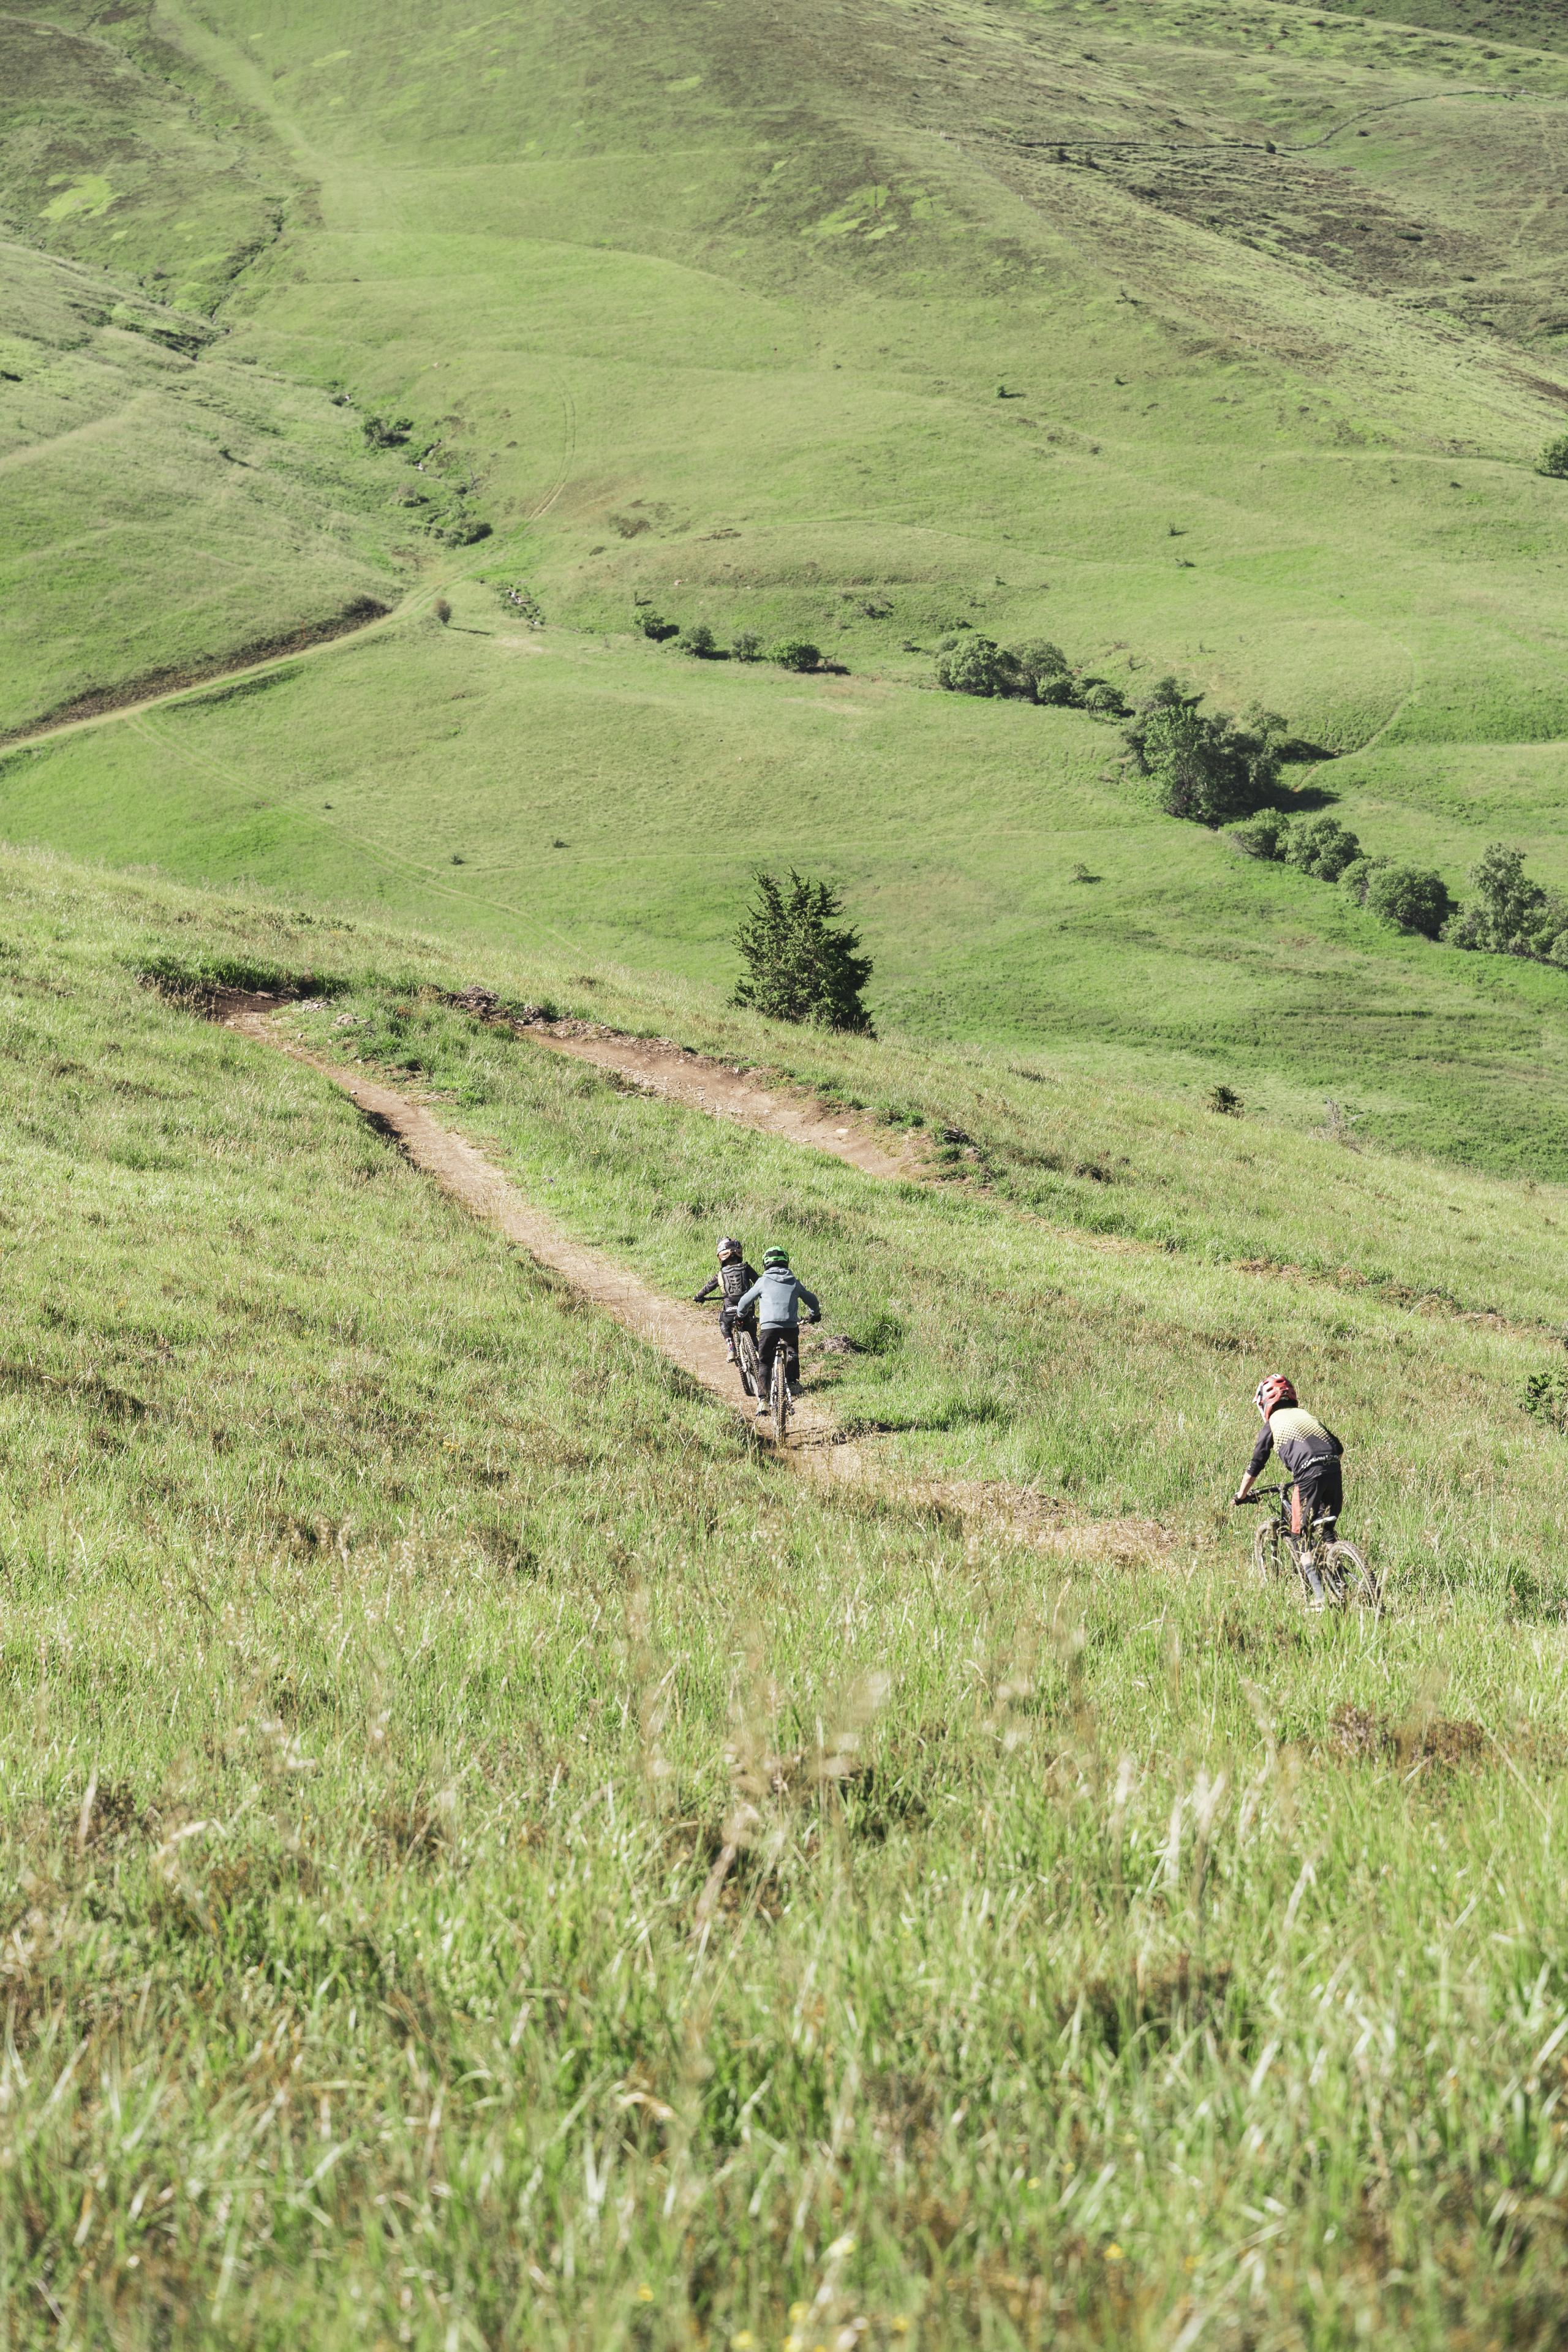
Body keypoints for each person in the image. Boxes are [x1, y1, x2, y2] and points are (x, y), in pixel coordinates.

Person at [1234, 1374, 1345, 1602]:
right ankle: (1343, 1579)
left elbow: (1257, 1463)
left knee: (1300, 1540)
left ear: (1265, 1402)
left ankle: (1319, 1600)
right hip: (1334, 1471)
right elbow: (1339, 1447)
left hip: (1307, 1476)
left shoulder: (1273, 1422)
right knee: (1326, 1532)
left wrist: (1241, 1495)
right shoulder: (1306, 1415)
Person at [733, 1246, 820, 1414]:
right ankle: (793, 1382)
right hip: (790, 1326)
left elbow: (745, 1301)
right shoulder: (794, 1281)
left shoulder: (763, 1282)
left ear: (766, 1264)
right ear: (786, 1262)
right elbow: (811, 1299)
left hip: (769, 1328)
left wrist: (740, 1315)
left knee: (765, 1362)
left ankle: (763, 1400)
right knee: (792, 1349)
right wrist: (814, 1314)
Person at [693, 1237, 759, 1371]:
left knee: (724, 1322)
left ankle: (732, 1349)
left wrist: (698, 1297)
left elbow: (708, 1288)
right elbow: (759, 1282)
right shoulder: (746, 1268)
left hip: (730, 1310)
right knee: (752, 1332)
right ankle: (758, 1352)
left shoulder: (721, 1274)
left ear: (721, 1257)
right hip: (748, 1308)